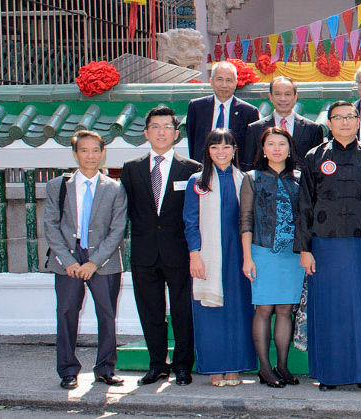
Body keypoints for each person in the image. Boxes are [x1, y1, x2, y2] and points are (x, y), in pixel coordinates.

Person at [298, 100, 361, 390]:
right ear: (329, 122)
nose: (345, 122)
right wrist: (306, 249)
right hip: (324, 246)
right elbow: (305, 205)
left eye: (350, 117)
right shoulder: (314, 156)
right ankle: (330, 374)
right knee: (329, 311)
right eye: (339, 118)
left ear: (359, 121)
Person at [43, 129, 128, 390]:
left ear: (103, 154)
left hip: (103, 259)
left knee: (106, 313)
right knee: (67, 313)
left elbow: (117, 230)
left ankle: (105, 368)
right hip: (68, 257)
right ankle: (68, 370)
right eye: (84, 150)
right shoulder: (57, 186)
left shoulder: (115, 188)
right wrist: (68, 260)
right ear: (75, 154)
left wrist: (95, 262)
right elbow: (50, 225)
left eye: (95, 151)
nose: (90, 156)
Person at [121, 106, 199, 386]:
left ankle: (182, 365)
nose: (161, 131)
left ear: (176, 133)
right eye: (155, 126)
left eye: (167, 126)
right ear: (146, 132)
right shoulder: (130, 169)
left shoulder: (191, 169)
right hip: (144, 252)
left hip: (179, 252)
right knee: (150, 311)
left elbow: (196, 215)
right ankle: (157, 365)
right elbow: (125, 211)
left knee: (182, 312)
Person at [184, 128, 257, 385]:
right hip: (208, 254)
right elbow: (190, 221)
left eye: (226, 147)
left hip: (239, 253)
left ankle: (235, 366)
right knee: (211, 312)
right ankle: (215, 367)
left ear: (234, 150)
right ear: (208, 151)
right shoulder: (198, 182)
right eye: (215, 147)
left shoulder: (245, 179)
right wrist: (195, 255)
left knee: (239, 309)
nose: (221, 152)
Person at [239, 127, 305, 388]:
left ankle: (283, 366)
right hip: (262, 251)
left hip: (292, 254)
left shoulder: (299, 178)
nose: (277, 148)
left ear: (289, 149)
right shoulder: (252, 178)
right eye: (271, 144)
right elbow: (245, 219)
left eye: (282, 144)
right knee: (264, 309)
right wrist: (247, 257)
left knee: (286, 310)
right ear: (263, 149)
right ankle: (265, 368)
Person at [243, 76, 322, 170]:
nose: (283, 99)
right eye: (277, 94)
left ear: (295, 97)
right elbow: (248, 165)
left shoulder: (312, 129)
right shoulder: (255, 128)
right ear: (270, 97)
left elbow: (316, 166)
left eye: (287, 94)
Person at [187, 61, 259, 165]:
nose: (224, 85)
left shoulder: (248, 112)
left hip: (235, 172)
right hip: (203, 170)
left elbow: (251, 150)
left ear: (236, 83)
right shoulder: (196, 107)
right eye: (219, 79)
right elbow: (192, 143)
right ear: (211, 81)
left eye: (229, 80)